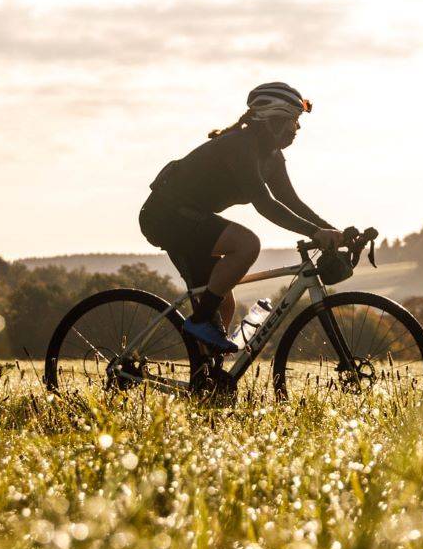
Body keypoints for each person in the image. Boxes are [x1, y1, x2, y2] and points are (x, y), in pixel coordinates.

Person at [139, 82, 342, 351]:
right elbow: (265, 204)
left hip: (190, 219)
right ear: (273, 120)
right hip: (166, 216)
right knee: (247, 244)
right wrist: (315, 234)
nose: (298, 129)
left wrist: (333, 231)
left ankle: (210, 378)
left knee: (224, 304)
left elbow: (290, 201)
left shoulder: (271, 157)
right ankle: (199, 321)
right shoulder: (240, 146)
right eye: (293, 121)